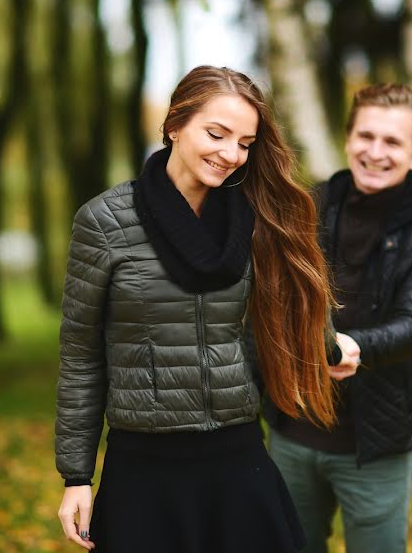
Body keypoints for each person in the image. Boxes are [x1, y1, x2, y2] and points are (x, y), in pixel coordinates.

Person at [54, 65, 346, 552]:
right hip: (143, 472)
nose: (231, 154)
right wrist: (76, 475)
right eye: (217, 133)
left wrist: (333, 347)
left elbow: (293, 314)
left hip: (237, 460)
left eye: (246, 143)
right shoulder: (104, 222)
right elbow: (81, 355)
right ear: (174, 125)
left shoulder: (258, 217)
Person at [266, 83, 412, 553]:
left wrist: (358, 346)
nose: (376, 152)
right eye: (366, 136)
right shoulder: (305, 208)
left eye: (392, 142)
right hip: (290, 435)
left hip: (374, 446)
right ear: (348, 137)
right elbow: (268, 301)